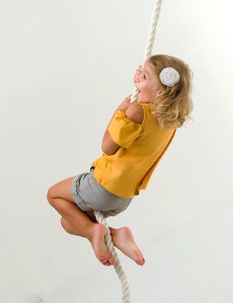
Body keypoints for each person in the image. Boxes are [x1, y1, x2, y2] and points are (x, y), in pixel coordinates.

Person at [47, 54, 193, 267]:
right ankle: (116, 236)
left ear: (160, 90)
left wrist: (120, 109)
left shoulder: (135, 112)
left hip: (104, 185)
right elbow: (147, 98)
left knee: (53, 195)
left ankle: (93, 231)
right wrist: (142, 81)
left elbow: (107, 147)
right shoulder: (169, 120)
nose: (137, 81)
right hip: (122, 198)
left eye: (143, 77)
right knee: (68, 223)